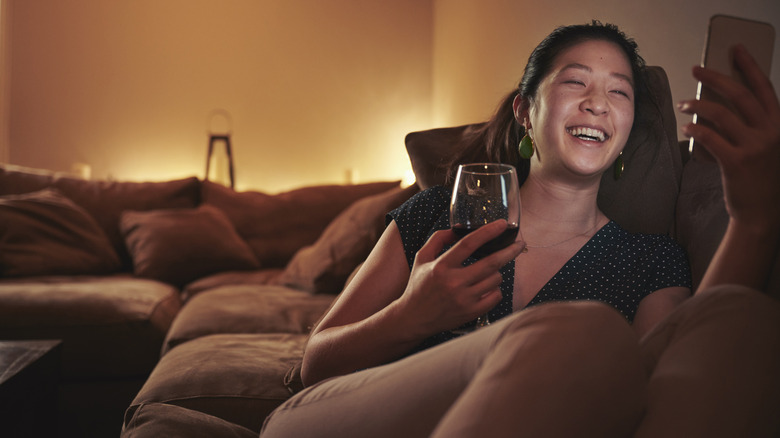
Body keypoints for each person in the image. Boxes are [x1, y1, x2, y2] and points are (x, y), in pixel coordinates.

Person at [261, 21, 780, 437]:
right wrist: (411, 314)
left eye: (619, 93)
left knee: (749, 321)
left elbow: (666, 391)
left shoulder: (652, 261)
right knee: (584, 329)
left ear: (625, 133)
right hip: (341, 417)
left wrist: (754, 220)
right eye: (575, 81)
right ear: (525, 113)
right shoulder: (437, 214)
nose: (597, 102)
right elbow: (316, 366)